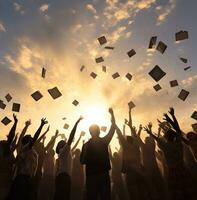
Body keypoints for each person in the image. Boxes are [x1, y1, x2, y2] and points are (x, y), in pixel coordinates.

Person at [144, 108, 195, 200]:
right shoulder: (178, 143)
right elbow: (177, 129)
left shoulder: (165, 146)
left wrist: (149, 132)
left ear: (166, 137)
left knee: (177, 194)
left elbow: (157, 138)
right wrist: (172, 116)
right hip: (183, 169)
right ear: (174, 136)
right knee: (189, 192)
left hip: (173, 172)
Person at [7, 118, 48, 200]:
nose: (32, 139)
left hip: (25, 178)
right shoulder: (27, 148)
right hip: (22, 179)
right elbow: (35, 137)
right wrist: (41, 125)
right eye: (31, 138)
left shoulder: (29, 149)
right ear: (28, 141)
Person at [80, 108, 115, 200]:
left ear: (90, 132)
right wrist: (112, 114)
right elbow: (113, 128)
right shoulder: (104, 141)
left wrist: (91, 159)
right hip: (103, 174)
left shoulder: (86, 145)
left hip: (91, 176)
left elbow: (82, 161)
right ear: (99, 131)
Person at [54, 116, 83, 200]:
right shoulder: (64, 151)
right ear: (62, 146)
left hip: (63, 177)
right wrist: (76, 124)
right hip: (64, 177)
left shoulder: (64, 153)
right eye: (64, 143)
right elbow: (71, 137)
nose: (66, 143)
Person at [0, 114, 18, 200]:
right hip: (3, 183)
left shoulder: (8, 153)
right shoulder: (5, 154)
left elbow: (11, 139)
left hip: (8, 182)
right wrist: (15, 123)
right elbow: (11, 137)